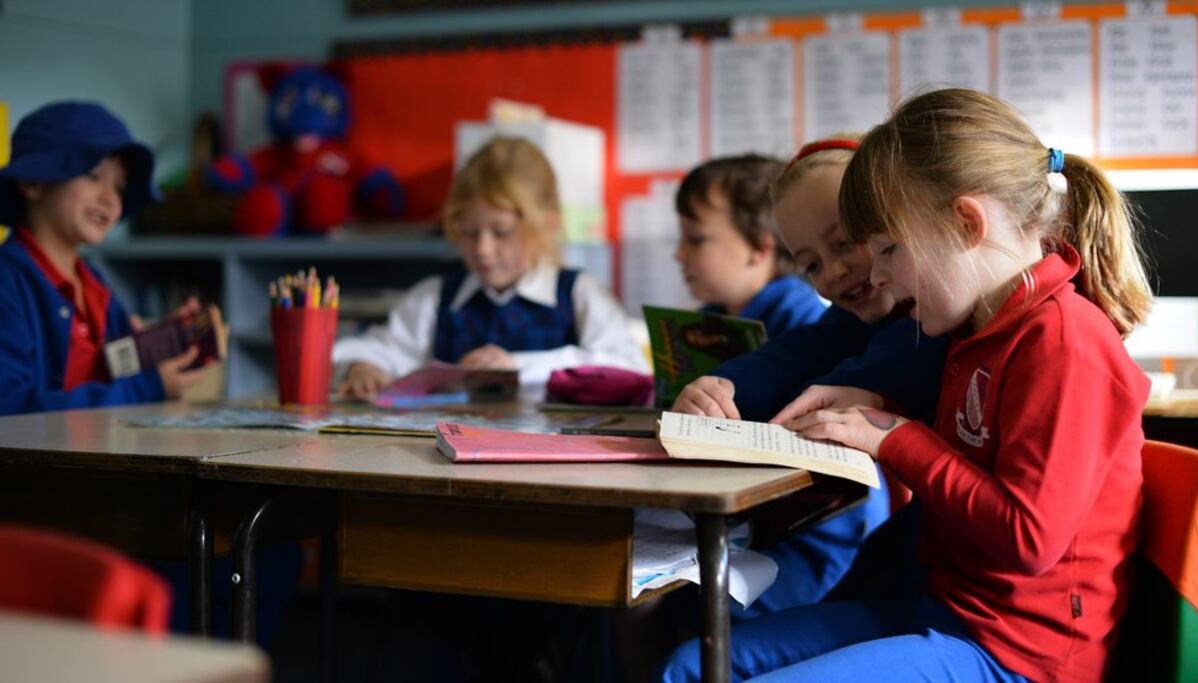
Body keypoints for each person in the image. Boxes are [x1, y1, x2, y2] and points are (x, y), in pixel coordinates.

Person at [664, 88, 1152, 682]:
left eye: (888, 250)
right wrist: (878, 409)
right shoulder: (976, 332)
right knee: (692, 664)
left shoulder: (1065, 338)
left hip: (1020, 657)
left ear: (967, 223)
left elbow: (1030, 538)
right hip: (949, 615)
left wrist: (896, 436)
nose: (877, 275)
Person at [671, 136, 947, 617]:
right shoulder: (852, 318)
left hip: (906, 564)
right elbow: (792, 355)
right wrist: (724, 384)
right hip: (901, 555)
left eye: (844, 243)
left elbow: (838, 382)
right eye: (811, 265)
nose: (835, 271)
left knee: (699, 627)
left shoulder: (930, 324)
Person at [335, 136, 645, 398]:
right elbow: (374, 349)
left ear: (548, 225)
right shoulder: (437, 297)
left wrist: (519, 366)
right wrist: (365, 365)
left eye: (502, 232)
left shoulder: (579, 294)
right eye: (469, 232)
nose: (482, 249)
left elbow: (630, 368)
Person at [0, 101, 208, 416]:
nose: (110, 199)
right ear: (32, 182)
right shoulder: (7, 281)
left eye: (120, 188)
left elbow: (116, 375)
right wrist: (147, 388)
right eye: (94, 176)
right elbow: (9, 407)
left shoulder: (95, 284)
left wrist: (158, 343)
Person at [675, 154, 825, 338]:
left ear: (759, 247)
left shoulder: (805, 320)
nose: (679, 255)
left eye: (696, 239)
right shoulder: (708, 318)